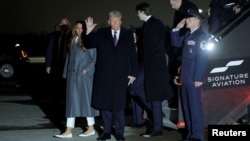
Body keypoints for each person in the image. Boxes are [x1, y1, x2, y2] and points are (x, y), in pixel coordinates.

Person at [84, 10, 138, 141]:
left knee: (119, 105)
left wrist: (133, 73)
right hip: (104, 76)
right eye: (112, 21)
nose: (115, 23)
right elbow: (88, 43)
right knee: (105, 105)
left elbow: (133, 55)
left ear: (121, 21)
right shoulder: (101, 33)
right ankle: (106, 132)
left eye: (117, 20)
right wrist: (88, 31)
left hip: (121, 76)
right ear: (108, 22)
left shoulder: (128, 34)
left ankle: (120, 133)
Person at [54, 21, 99, 138]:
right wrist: (66, 74)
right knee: (71, 104)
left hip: (83, 77)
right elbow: (69, 59)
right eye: (78, 28)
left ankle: (91, 128)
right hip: (72, 77)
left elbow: (94, 59)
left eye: (82, 29)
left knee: (86, 102)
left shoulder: (89, 41)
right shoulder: (72, 41)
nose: (80, 31)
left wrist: (87, 70)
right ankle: (68, 130)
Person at [135, 2, 173, 137]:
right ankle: (156, 114)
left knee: (155, 96)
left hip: (154, 65)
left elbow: (158, 45)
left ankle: (157, 128)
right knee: (135, 86)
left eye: (138, 12)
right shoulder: (149, 24)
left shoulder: (154, 24)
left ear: (141, 11)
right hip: (148, 64)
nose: (137, 15)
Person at [170, 9, 208, 141]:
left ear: (197, 21)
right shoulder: (188, 35)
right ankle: (191, 134)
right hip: (186, 77)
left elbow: (201, 59)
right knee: (187, 107)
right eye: (187, 18)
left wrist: (198, 78)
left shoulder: (201, 37)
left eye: (190, 19)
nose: (187, 20)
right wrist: (176, 29)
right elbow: (175, 43)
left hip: (193, 78)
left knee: (194, 107)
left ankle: (197, 135)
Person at [128, 25, 151, 128]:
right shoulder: (129, 46)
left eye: (134, 35)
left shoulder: (142, 45)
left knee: (138, 93)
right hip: (131, 73)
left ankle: (150, 111)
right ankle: (138, 120)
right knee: (133, 96)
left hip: (141, 73)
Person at [45, 17, 72, 103]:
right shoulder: (54, 36)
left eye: (66, 24)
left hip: (69, 65)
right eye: (62, 24)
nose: (64, 25)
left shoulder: (73, 36)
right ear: (59, 25)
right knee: (56, 85)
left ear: (69, 24)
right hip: (56, 65)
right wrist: (48, 65)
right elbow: (49, 51)